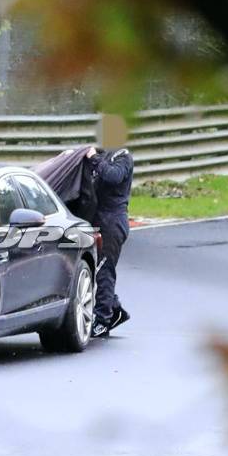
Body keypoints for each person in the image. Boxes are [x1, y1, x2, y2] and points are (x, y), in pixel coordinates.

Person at [89, 143, 134, 337]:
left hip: (113, 223)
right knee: (96, 268)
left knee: (103, 271)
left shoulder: (123, 156)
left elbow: (113, 176)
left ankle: (102, 320)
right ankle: (114, 309)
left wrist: (94, 158)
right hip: (100, 221)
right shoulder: (104, 155)